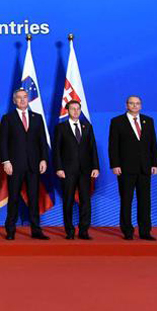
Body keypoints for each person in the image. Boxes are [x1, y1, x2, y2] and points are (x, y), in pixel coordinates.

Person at [0, 88, 50, 240]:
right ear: (14, 101)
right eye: (19, 98)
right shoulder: (8, 118)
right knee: (13, 198)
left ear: (28, 99)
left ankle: (36, 230)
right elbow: (3, 143)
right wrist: (6, 162)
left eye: (25, 97)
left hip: (34, 164)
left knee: (34, 198)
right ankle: (10, 230)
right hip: (14, 165)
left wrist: (43, 159)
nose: (22, 100)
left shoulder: (37, 117)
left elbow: (42, 141)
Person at [109, 95, 157, 240]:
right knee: (126, 200)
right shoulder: (117, 122)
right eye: (132, 103)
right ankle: (127, 231)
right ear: (126, 105)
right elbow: (113, 146)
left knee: (145, 201)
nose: (135, 106)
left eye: (137, 103)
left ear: (141, 106)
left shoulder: (148, 121)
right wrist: (115, 165)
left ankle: (145, 231)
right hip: (125, 169)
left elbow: (153, 144)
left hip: (145, 168)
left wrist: (155, 163)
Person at [53, 100, 99, 240]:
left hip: (85, 170)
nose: (76, 111)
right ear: (67, 110)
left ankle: (84, 230)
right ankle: (69, 230)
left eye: (78, 109)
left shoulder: (87, 127)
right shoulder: (61, 127)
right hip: (67, 170)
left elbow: (93, 149)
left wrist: (95, 167)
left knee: (85, 200)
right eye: (73, 109)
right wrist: (59, 168)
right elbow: (56, 150)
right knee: (68, 200)